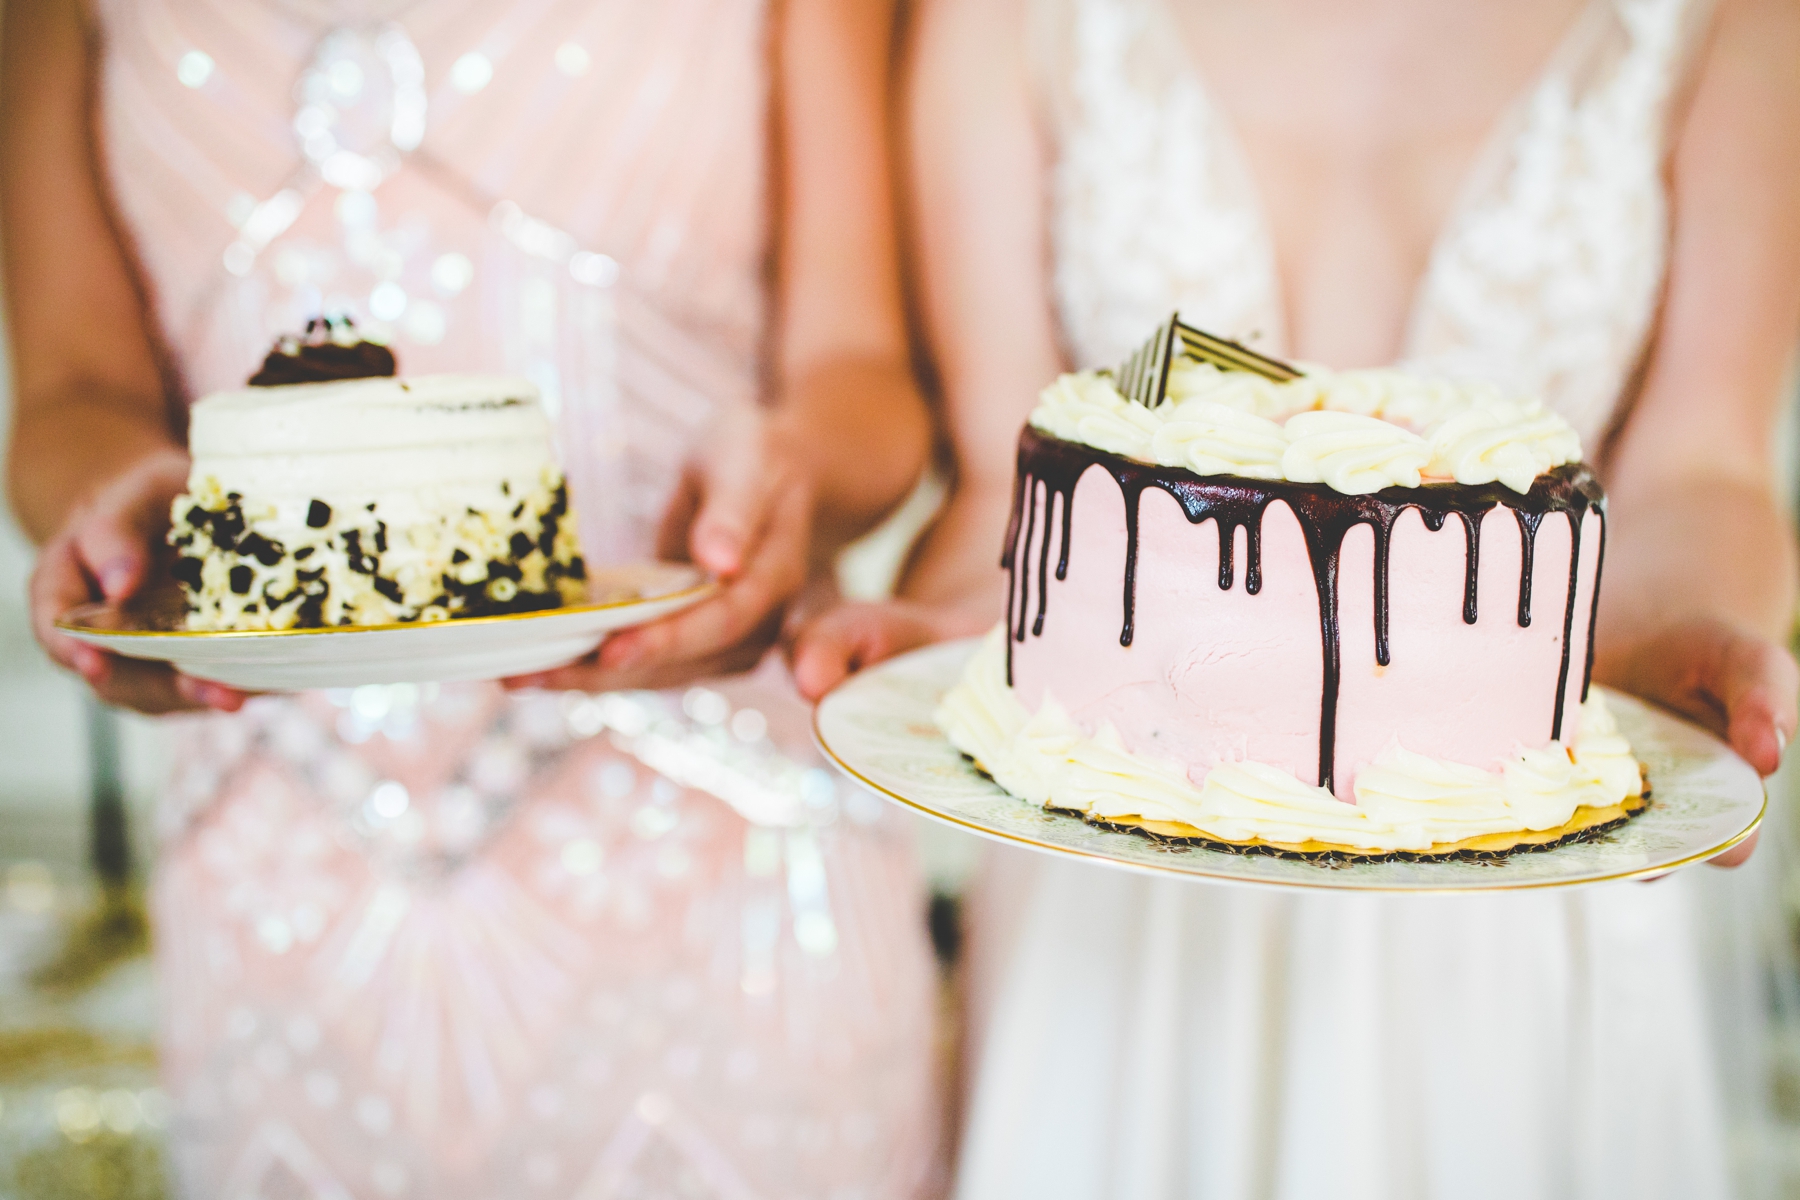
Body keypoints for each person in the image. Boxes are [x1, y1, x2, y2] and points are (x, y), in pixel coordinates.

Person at [794, 0, 1800, 1194]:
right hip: (1128, 874)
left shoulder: (1740, 22)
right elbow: (1001, 476)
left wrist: (1652, 639)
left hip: (1521, 875)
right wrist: (981, 629)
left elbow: (1701, 467)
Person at [3, 0, 944, 1195]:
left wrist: (792, 470)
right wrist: (111, 501)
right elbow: (70, 387)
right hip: (278, 885)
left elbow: (862, 377)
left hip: (732, 864)